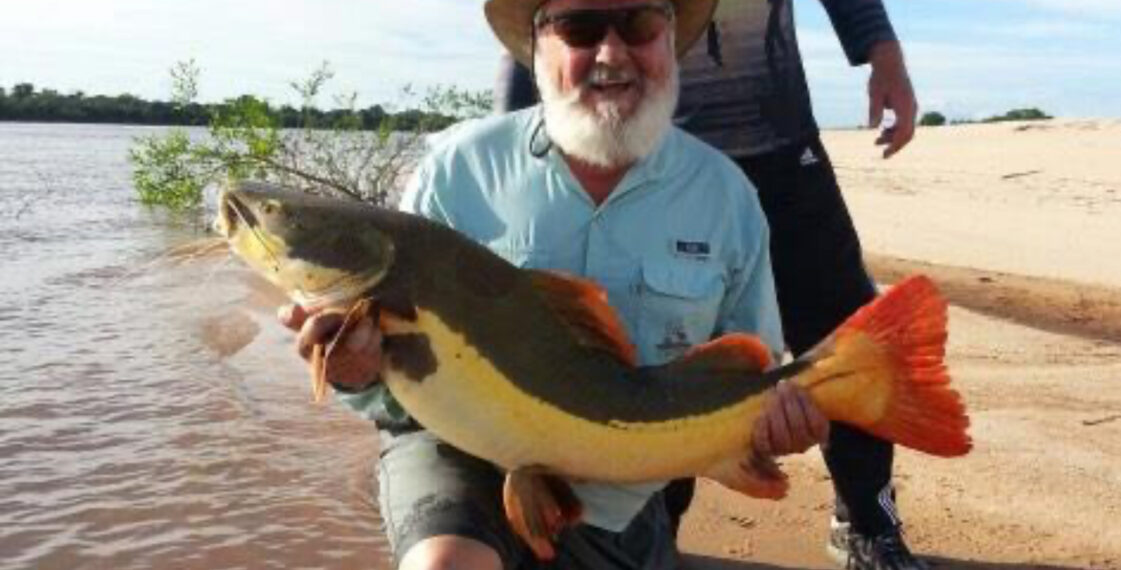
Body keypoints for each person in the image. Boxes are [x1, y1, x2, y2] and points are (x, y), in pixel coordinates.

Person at [279, 0, 831, 568]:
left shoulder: (726, 195)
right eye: (580, 28)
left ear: (669, 40)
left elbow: (751, 370)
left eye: (639, 25)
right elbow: (392, 395)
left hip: (620, 490)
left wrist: (779, 424)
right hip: (458, 455)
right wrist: (355, 373)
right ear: (537, 48)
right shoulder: (456, 170)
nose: (612, 54)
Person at [494, 1, 924, 569]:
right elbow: (553, 17)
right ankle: (654, 529)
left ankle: (868, 519)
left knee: (846, 335)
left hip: (778, 138)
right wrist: (512, 129)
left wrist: (884, 56)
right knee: (665, 350)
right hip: (655, 153)